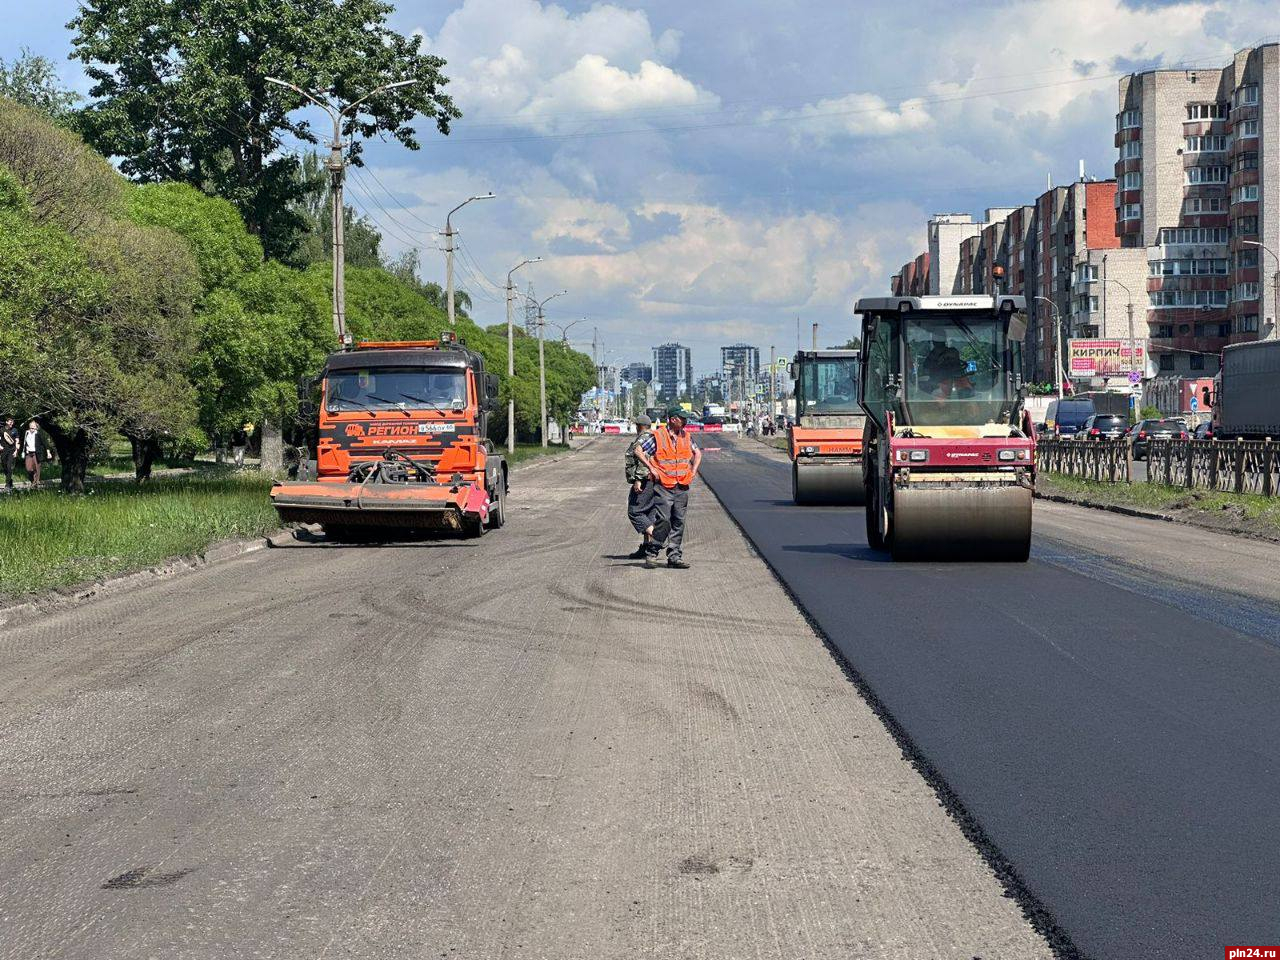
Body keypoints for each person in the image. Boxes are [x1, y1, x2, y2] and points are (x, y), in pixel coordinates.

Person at [636, 406, 703, 570]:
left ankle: (674, 556)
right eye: (682, 418)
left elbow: (698, 453)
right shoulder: (658, 436)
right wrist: (651, 468)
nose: (686, 421)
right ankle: (652, 552)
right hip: (664, 485)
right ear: (673, 419)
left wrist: (693, 471)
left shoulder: (686, 436)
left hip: (682, 485)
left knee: (679, 520)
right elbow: (639, 450)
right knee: (664, 520)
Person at [624, 414, 657, 559]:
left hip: (645, 480)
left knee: (635, 511)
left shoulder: (645, 438)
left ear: (640, 426)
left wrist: (638, 479)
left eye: (636, 425)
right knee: (648, 512)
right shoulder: (653, 436)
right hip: (652, 480)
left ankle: (657, 538)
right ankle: (647, 547)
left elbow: (644, 459)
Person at [23, 419, 49, 488]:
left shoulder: (38, 434)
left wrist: (48, 452)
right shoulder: (27, 433)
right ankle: (33, 480)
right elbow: (25, 443)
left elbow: (45, 443)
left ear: (36, 427)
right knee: (29, 468)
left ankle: (35, 482)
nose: (32, 429)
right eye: (31, 427)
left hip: (36, 453)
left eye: (33, 427)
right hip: (28, 453)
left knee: (37, 468)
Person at [1, 417, 18, 491]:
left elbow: (17, 440)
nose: (11, 423)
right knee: (4, 466)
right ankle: (10, 480)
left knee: (9, 467)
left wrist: (16, 451)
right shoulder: (2, 430)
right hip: (3, 450)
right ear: (6, 422)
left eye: (12, 422)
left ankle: (7, 484)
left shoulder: (15, 430)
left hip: (12, 450)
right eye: (10, 422)